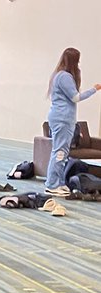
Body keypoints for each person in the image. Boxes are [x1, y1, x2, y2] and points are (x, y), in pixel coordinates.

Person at [44, 47, 101, 196]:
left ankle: (59, 182)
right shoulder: (64, 77)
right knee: (60, 152)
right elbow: (75, 97)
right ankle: (52, 184)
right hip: (62, 119)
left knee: (62, 152)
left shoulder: (60, 75)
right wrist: (94, 89)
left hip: (64, 118)